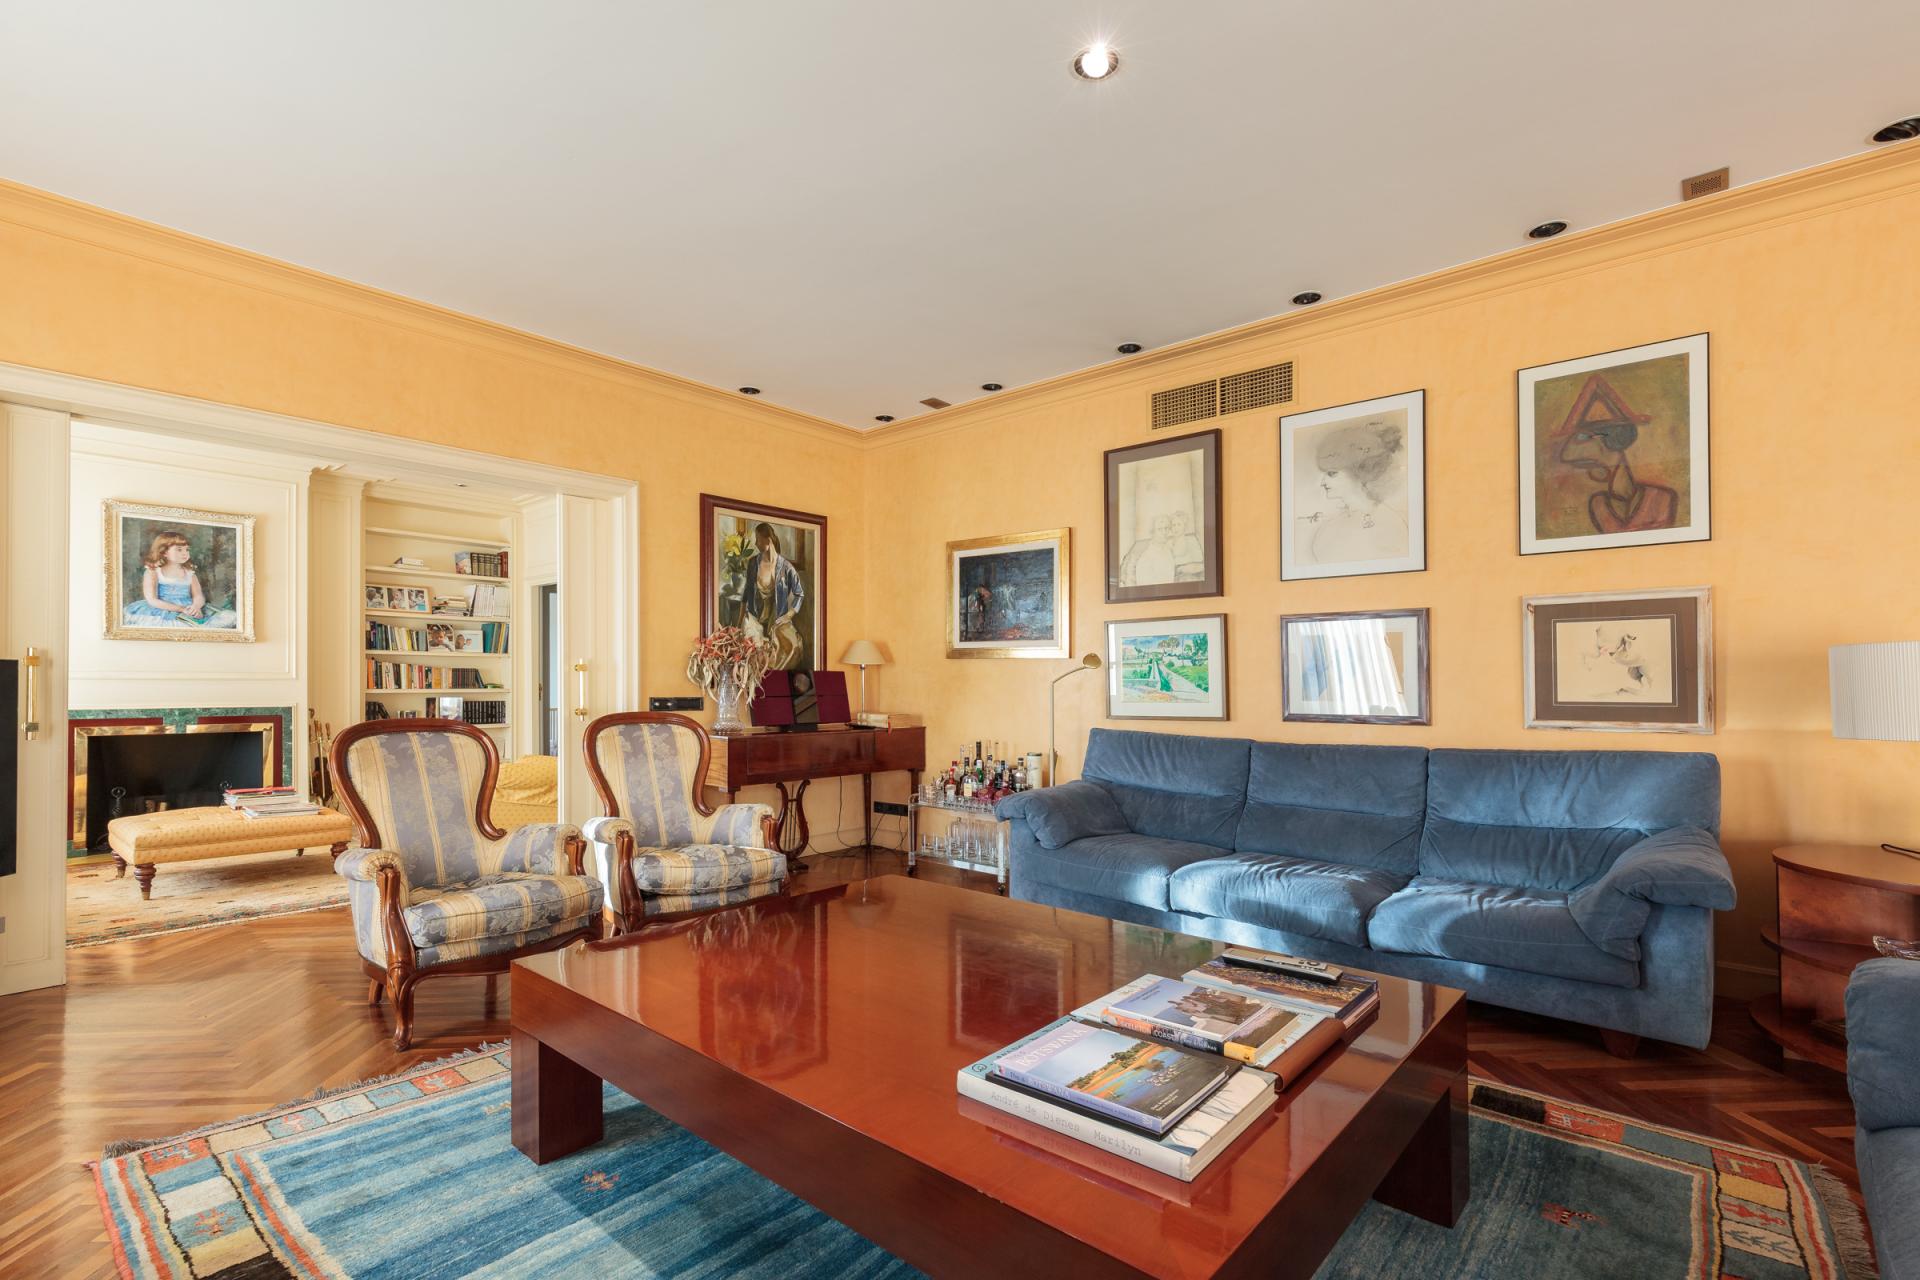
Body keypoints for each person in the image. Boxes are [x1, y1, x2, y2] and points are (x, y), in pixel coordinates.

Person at [1305, 420, 1409, 564]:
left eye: (1332, 473)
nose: (1323, 482)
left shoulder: (1391, 524)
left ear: (1360, 472)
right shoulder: (1329, 530)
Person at [122, 531, 237, 629]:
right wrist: (181, 609)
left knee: (227, 617)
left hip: (189, 608)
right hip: (163, 609)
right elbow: (152, 600)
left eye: (187, 550)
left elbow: (198, 595)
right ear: (164, 552)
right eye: (179, 550)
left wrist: (195, 607)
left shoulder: (189, 573)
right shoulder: (153, 572)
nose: (185, 553)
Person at [739, 522, 805, 669]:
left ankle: (777, 680)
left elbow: (799, 594)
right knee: (754, 651)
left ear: (768, 541)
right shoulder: (753, 563)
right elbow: (746, 595)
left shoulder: (786, 567)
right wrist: (739, 623)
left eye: (758, 539)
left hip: (777, 618)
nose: (756, 543)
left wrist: (789, 615)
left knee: (793, 646)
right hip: (754, 618)